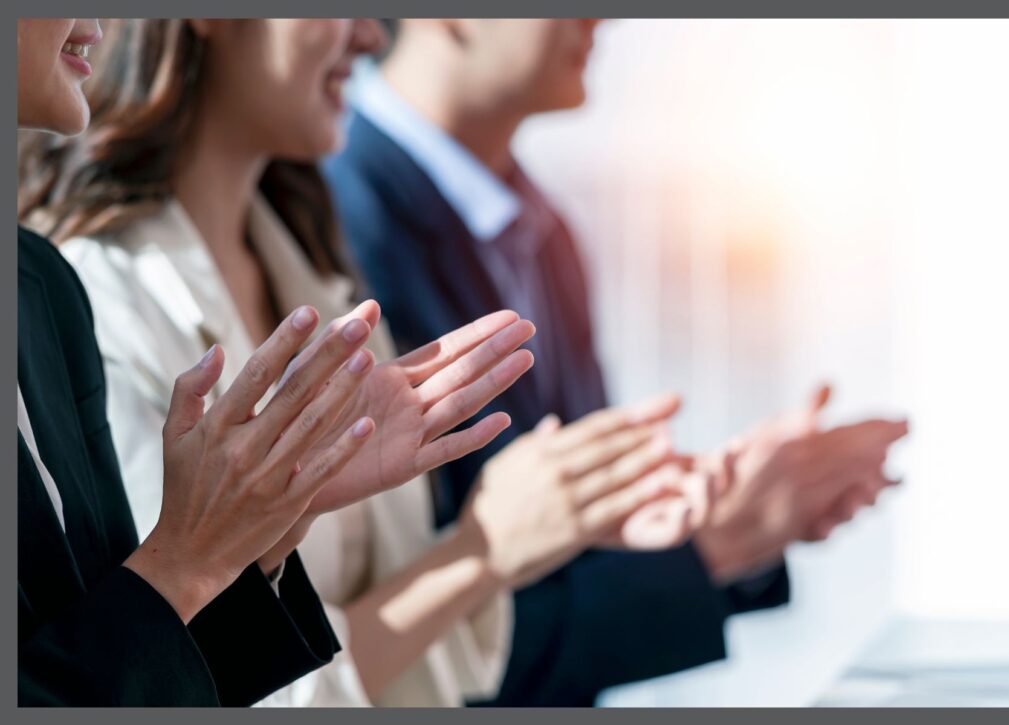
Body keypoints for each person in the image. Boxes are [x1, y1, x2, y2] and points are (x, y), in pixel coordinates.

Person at [20, 19, 707, 707]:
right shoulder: (90, 293)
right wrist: (481, 550)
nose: (372, 37)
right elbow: (156, 670)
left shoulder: (322, 276)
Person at [324, 19, 909, 705]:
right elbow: (428, 638)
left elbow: (569, 536)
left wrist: (719, 503)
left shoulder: (545, 234)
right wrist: (715, 546)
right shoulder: (335, 230)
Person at [17, 17, 369, 706]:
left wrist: (243, 541)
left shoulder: (45, 290)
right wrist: (189, 559)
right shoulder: (93, 277)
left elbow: (129, 658)